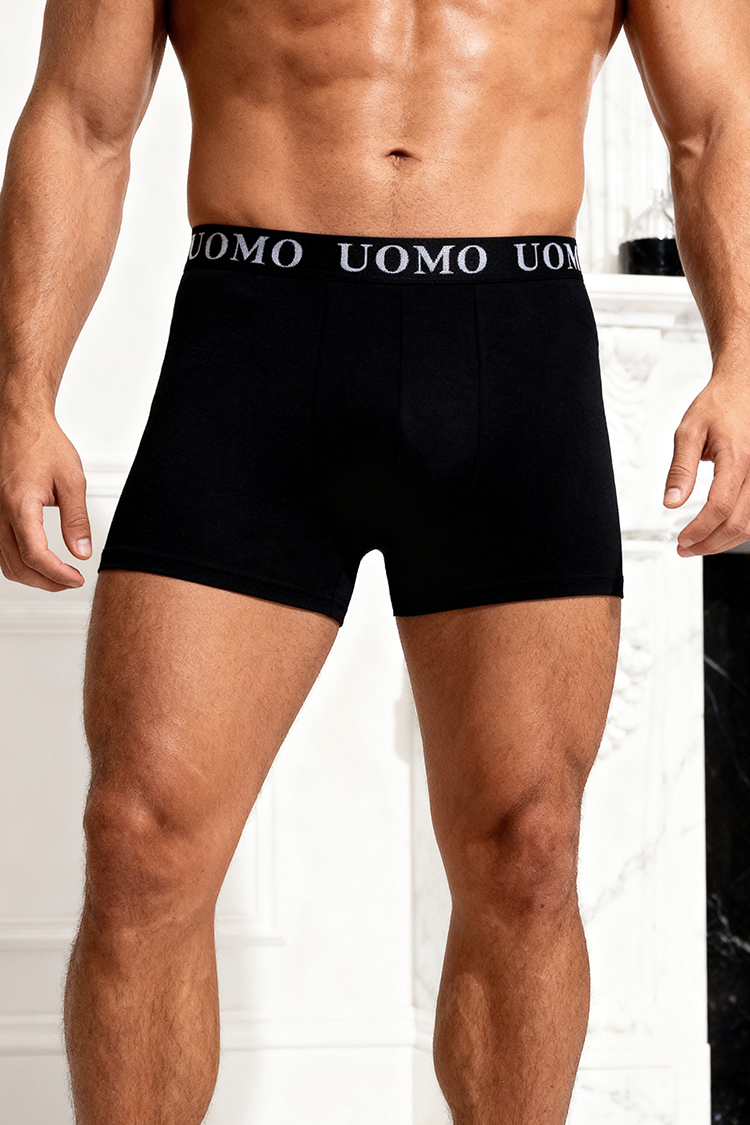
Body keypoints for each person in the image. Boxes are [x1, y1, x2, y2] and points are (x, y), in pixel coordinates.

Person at [0, 0, 748, 1122]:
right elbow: (79, 119)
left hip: (511, 348)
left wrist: (745, 358)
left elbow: (718, 117)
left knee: (528, 850)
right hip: (253, 340)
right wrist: (21, 395)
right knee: (139, 838)